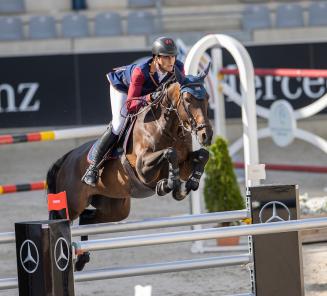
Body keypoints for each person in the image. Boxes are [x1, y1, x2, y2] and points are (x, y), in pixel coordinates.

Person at [82, 37, 184, 187]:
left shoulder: (178, 67)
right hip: (123, 88)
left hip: (148, 92)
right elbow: (130, 105)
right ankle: (93, 168)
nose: (171, 61)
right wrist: (150, 97)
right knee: (119, 124)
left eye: (173, 56)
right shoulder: (140, 72)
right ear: (156, 58)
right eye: (166, 57)